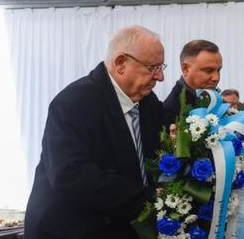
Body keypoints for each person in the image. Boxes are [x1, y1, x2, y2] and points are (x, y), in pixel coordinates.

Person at [25, 25, 165, 239]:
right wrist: (148, 198)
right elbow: (71, 176)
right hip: (71, 230)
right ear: (120, 64)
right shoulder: (73, 102)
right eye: (152, 67)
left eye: (161, 66)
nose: (161, 76)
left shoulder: (149, 103)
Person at [162, 39, 222, 127]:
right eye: (208, 70)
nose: (216, 77)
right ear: (185, 69)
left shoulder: (211, 99)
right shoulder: (171, 110)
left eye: (219, 70)